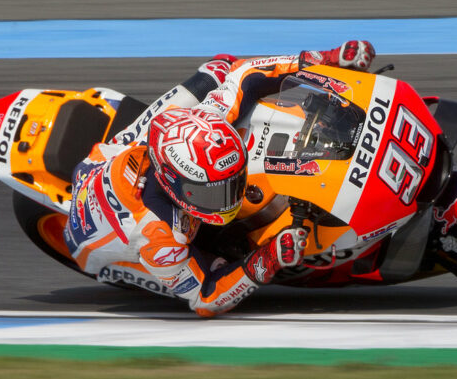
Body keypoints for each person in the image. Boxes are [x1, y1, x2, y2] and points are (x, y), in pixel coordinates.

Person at [63, 40, 376, 316]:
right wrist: (267, 260)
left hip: (122, 153)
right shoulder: (158, 238)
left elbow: (247, 74)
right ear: (176, 189)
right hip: (102, 227)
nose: (230, 199)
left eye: (233, 183)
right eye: (213, 194)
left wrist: (327, 58)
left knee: (223, 66)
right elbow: (205, 298)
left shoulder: (208, 119)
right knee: (217, 264)